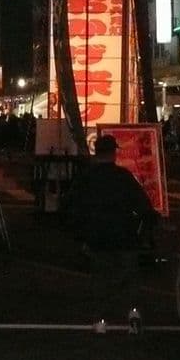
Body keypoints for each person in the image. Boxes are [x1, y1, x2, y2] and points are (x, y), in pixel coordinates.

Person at [68, 133, 155, 335]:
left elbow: (73, 207)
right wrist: (144, 230)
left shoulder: (86, 178)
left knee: (100, 279)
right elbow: (143, 205)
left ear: (96, 153)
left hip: (97, 235)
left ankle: (100, 321)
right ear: (113, 154)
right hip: (124, 233)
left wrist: (81, 235)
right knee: (129, 276)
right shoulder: (123, 176)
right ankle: (133, 314)